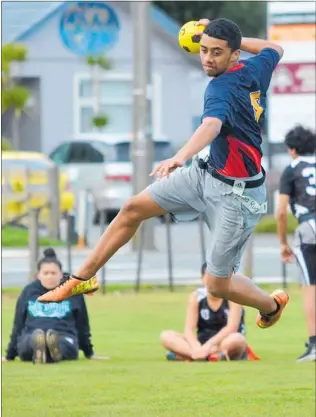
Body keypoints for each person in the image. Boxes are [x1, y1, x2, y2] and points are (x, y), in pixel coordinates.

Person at [38, 18, 289, 331]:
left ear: (235, 56)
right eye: (204, 50)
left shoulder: (220, 88)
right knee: (131, 209)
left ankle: (271, 305)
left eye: (217, 53)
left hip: (237, 198)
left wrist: (179, 157)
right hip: (206, 175)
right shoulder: (256, 68)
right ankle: (79, 280)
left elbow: (210, 126)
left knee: (217, 285)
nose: (208, 58)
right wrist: (219, 32)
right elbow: (274, 48)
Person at [2, 248, 107, 364]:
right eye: (46, 273)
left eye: (53, 273)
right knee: (29, 342)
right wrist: (9, 356)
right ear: (38, 275)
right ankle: (41, 348)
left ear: (61, 275)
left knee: (62, 343)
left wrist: (89, 353)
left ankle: (53, 350)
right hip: (32, 334)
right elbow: (18, 324)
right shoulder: (29, 292)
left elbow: (82, 325)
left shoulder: (72, 292)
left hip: (64, 335)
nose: (49, 276)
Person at [160, 263, 260, 361]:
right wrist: (196, 347)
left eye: (217, 277)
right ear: (202, 278)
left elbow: (231, 328)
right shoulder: (195, 297)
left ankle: (187, 355)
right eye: (209, 277)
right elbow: (189, 330)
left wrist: (208, 346)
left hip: (225, 341)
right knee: (166, 336)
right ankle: (204, 355)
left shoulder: (233, 296)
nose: (213, 281)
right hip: (202, 342)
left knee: (237, 340)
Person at [276, 125, 316, 362]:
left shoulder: (291, 169)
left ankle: (314, 344)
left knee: (310, 288)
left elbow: (281, 211)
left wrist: (282, 243)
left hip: (309, 227)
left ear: (292, 150)